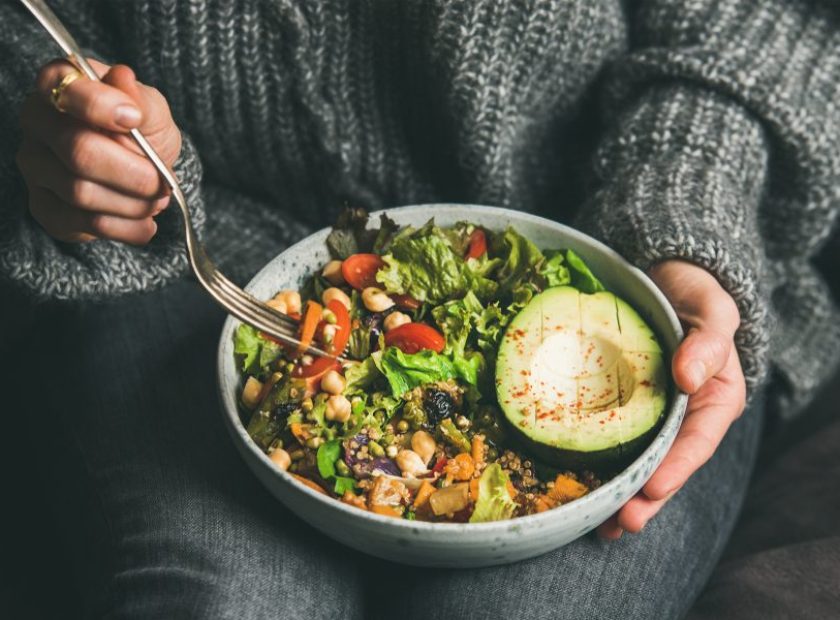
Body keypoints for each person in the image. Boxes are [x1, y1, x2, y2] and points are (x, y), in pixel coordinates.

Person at [1, 1, 838, 618]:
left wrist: (684, 207)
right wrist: (65, 143)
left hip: (610, 248)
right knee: (224, 600)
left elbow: (758, 29)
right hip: (167, 265)